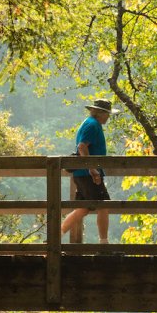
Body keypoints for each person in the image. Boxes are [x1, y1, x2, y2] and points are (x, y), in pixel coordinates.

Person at [60, 98, 119, 243]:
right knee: (103, 205)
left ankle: (54, 236)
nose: (108, 117)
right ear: (99, 113)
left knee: (83, 208)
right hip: (88, 174)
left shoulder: (91, 123)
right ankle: (104, 244)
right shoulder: (92, 125)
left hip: (83, 173)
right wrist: (92, 169)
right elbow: (81, 146)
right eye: (107, 114)